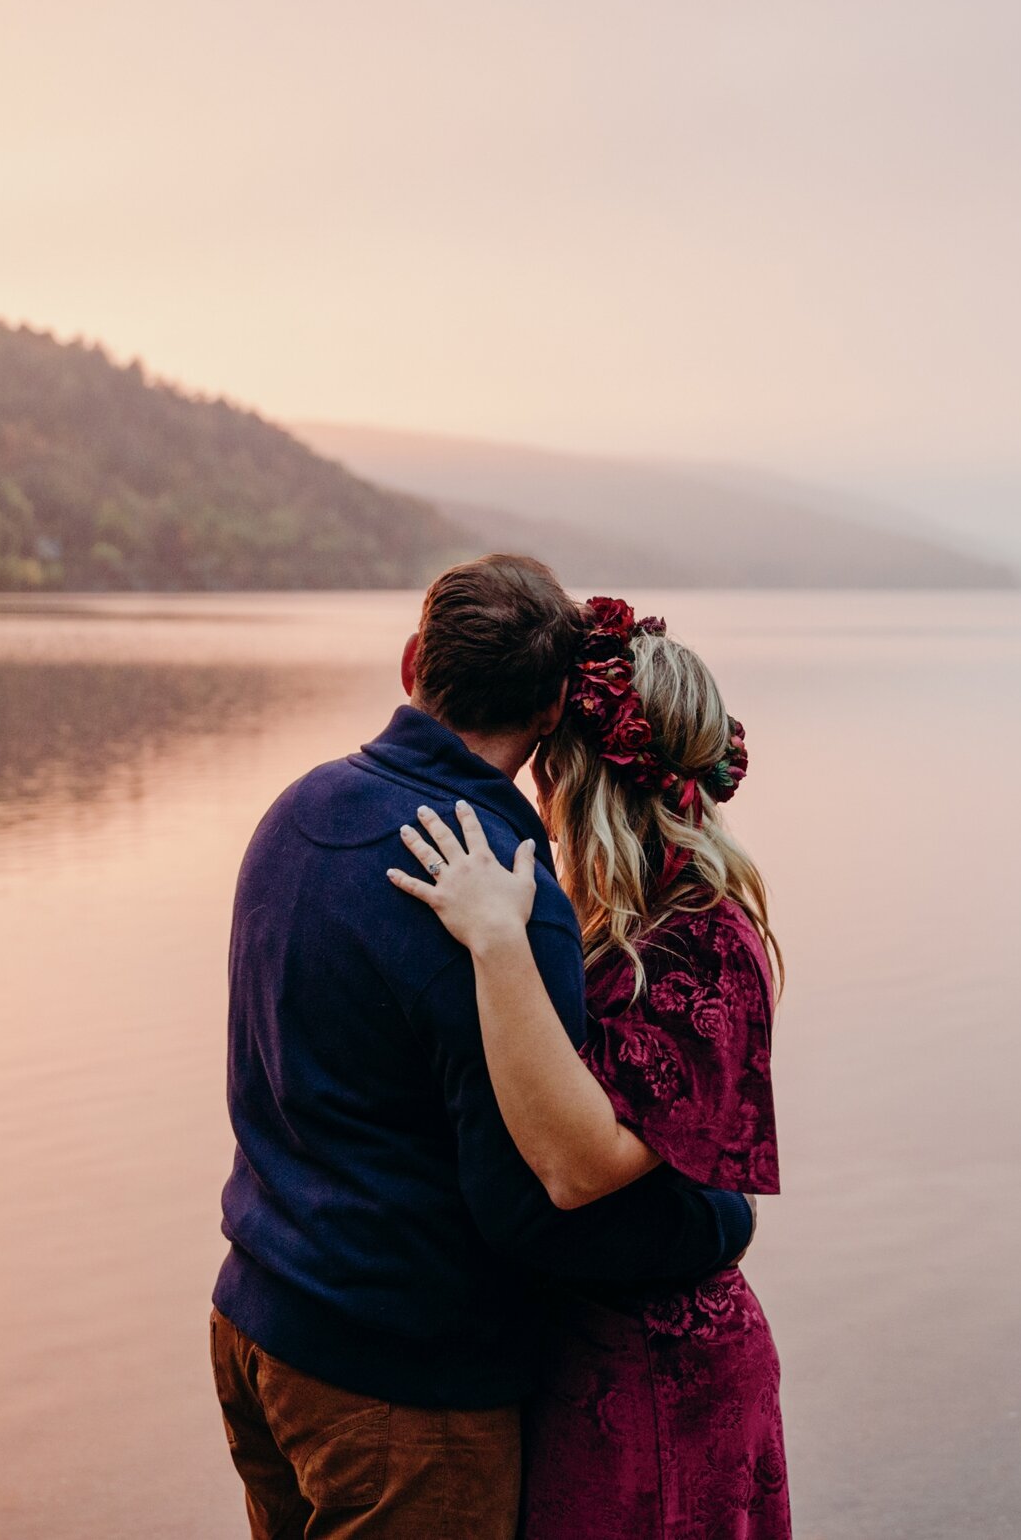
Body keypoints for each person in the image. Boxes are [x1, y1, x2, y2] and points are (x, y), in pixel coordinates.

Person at [212, 552, 757, 1540]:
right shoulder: (503, 887)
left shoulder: (295, 813)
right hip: (399, 1380)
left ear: (414, 658)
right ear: (552, 711)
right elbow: (533, 1198)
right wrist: (716, 1222)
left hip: (257, 1323)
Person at [391, 600, 788, 1540]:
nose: (533, 794)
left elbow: (579, 1166)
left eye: (545, 767)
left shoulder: (706, 942)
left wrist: (495, 940)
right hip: (574, 1355)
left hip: (662, 1378)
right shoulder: (612, 920)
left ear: (581, 777)